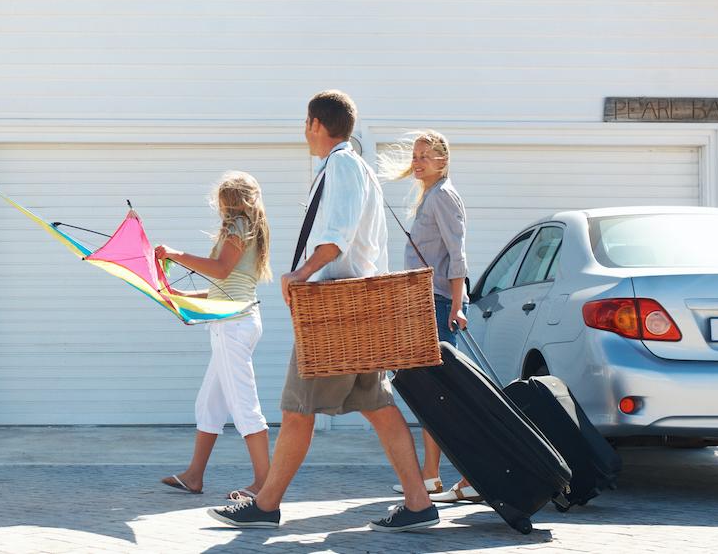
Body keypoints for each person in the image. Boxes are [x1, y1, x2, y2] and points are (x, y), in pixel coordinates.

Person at [208, 90, 439, 532]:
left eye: (305, 123)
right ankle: (418, 503)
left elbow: (336, 235)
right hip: (355, 306)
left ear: (316, 124)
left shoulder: (343, 167)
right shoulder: (347, 166)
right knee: (378, 406)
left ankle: (267, 504)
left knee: (297, 409)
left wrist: (301, 274)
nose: (304, 131)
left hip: (336, 311)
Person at [155, 171, 273, 502]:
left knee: (245, 406)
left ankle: (265, 484)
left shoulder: (239, 226)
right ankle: (194, 476)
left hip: (233, 327)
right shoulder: (248, 227)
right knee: (210, 403)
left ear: (230, 201)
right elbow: (226, 286)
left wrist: (175, 254)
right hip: (234, 321)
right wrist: (180, 297)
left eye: (221, 201)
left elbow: (220, 270)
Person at [380, 130, 479, 503]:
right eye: (415, 155)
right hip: (427, 304)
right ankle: (431, 476)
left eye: (424, 156)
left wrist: (456, 305)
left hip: (440, 305)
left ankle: (471, 476)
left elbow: (458, 256)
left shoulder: (444, 197)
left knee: (445, 397)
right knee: (431, 395)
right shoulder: (432, 196)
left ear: (443, 160)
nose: (416, 161)